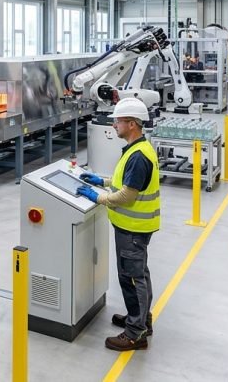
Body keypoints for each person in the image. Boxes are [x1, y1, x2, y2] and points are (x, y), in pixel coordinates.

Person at [75, 98, 160, 352]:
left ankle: (135, 334)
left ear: (132, 124)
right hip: (132, 227)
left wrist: (97, 197)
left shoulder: (139, 156)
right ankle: (141, 319)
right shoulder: (138, 149)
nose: (114, 125)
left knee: (132, 278)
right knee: (138, 274)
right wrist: (101, 181)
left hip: (133, 228)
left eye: (118, 121)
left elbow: (126, 196)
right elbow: (127, 182)